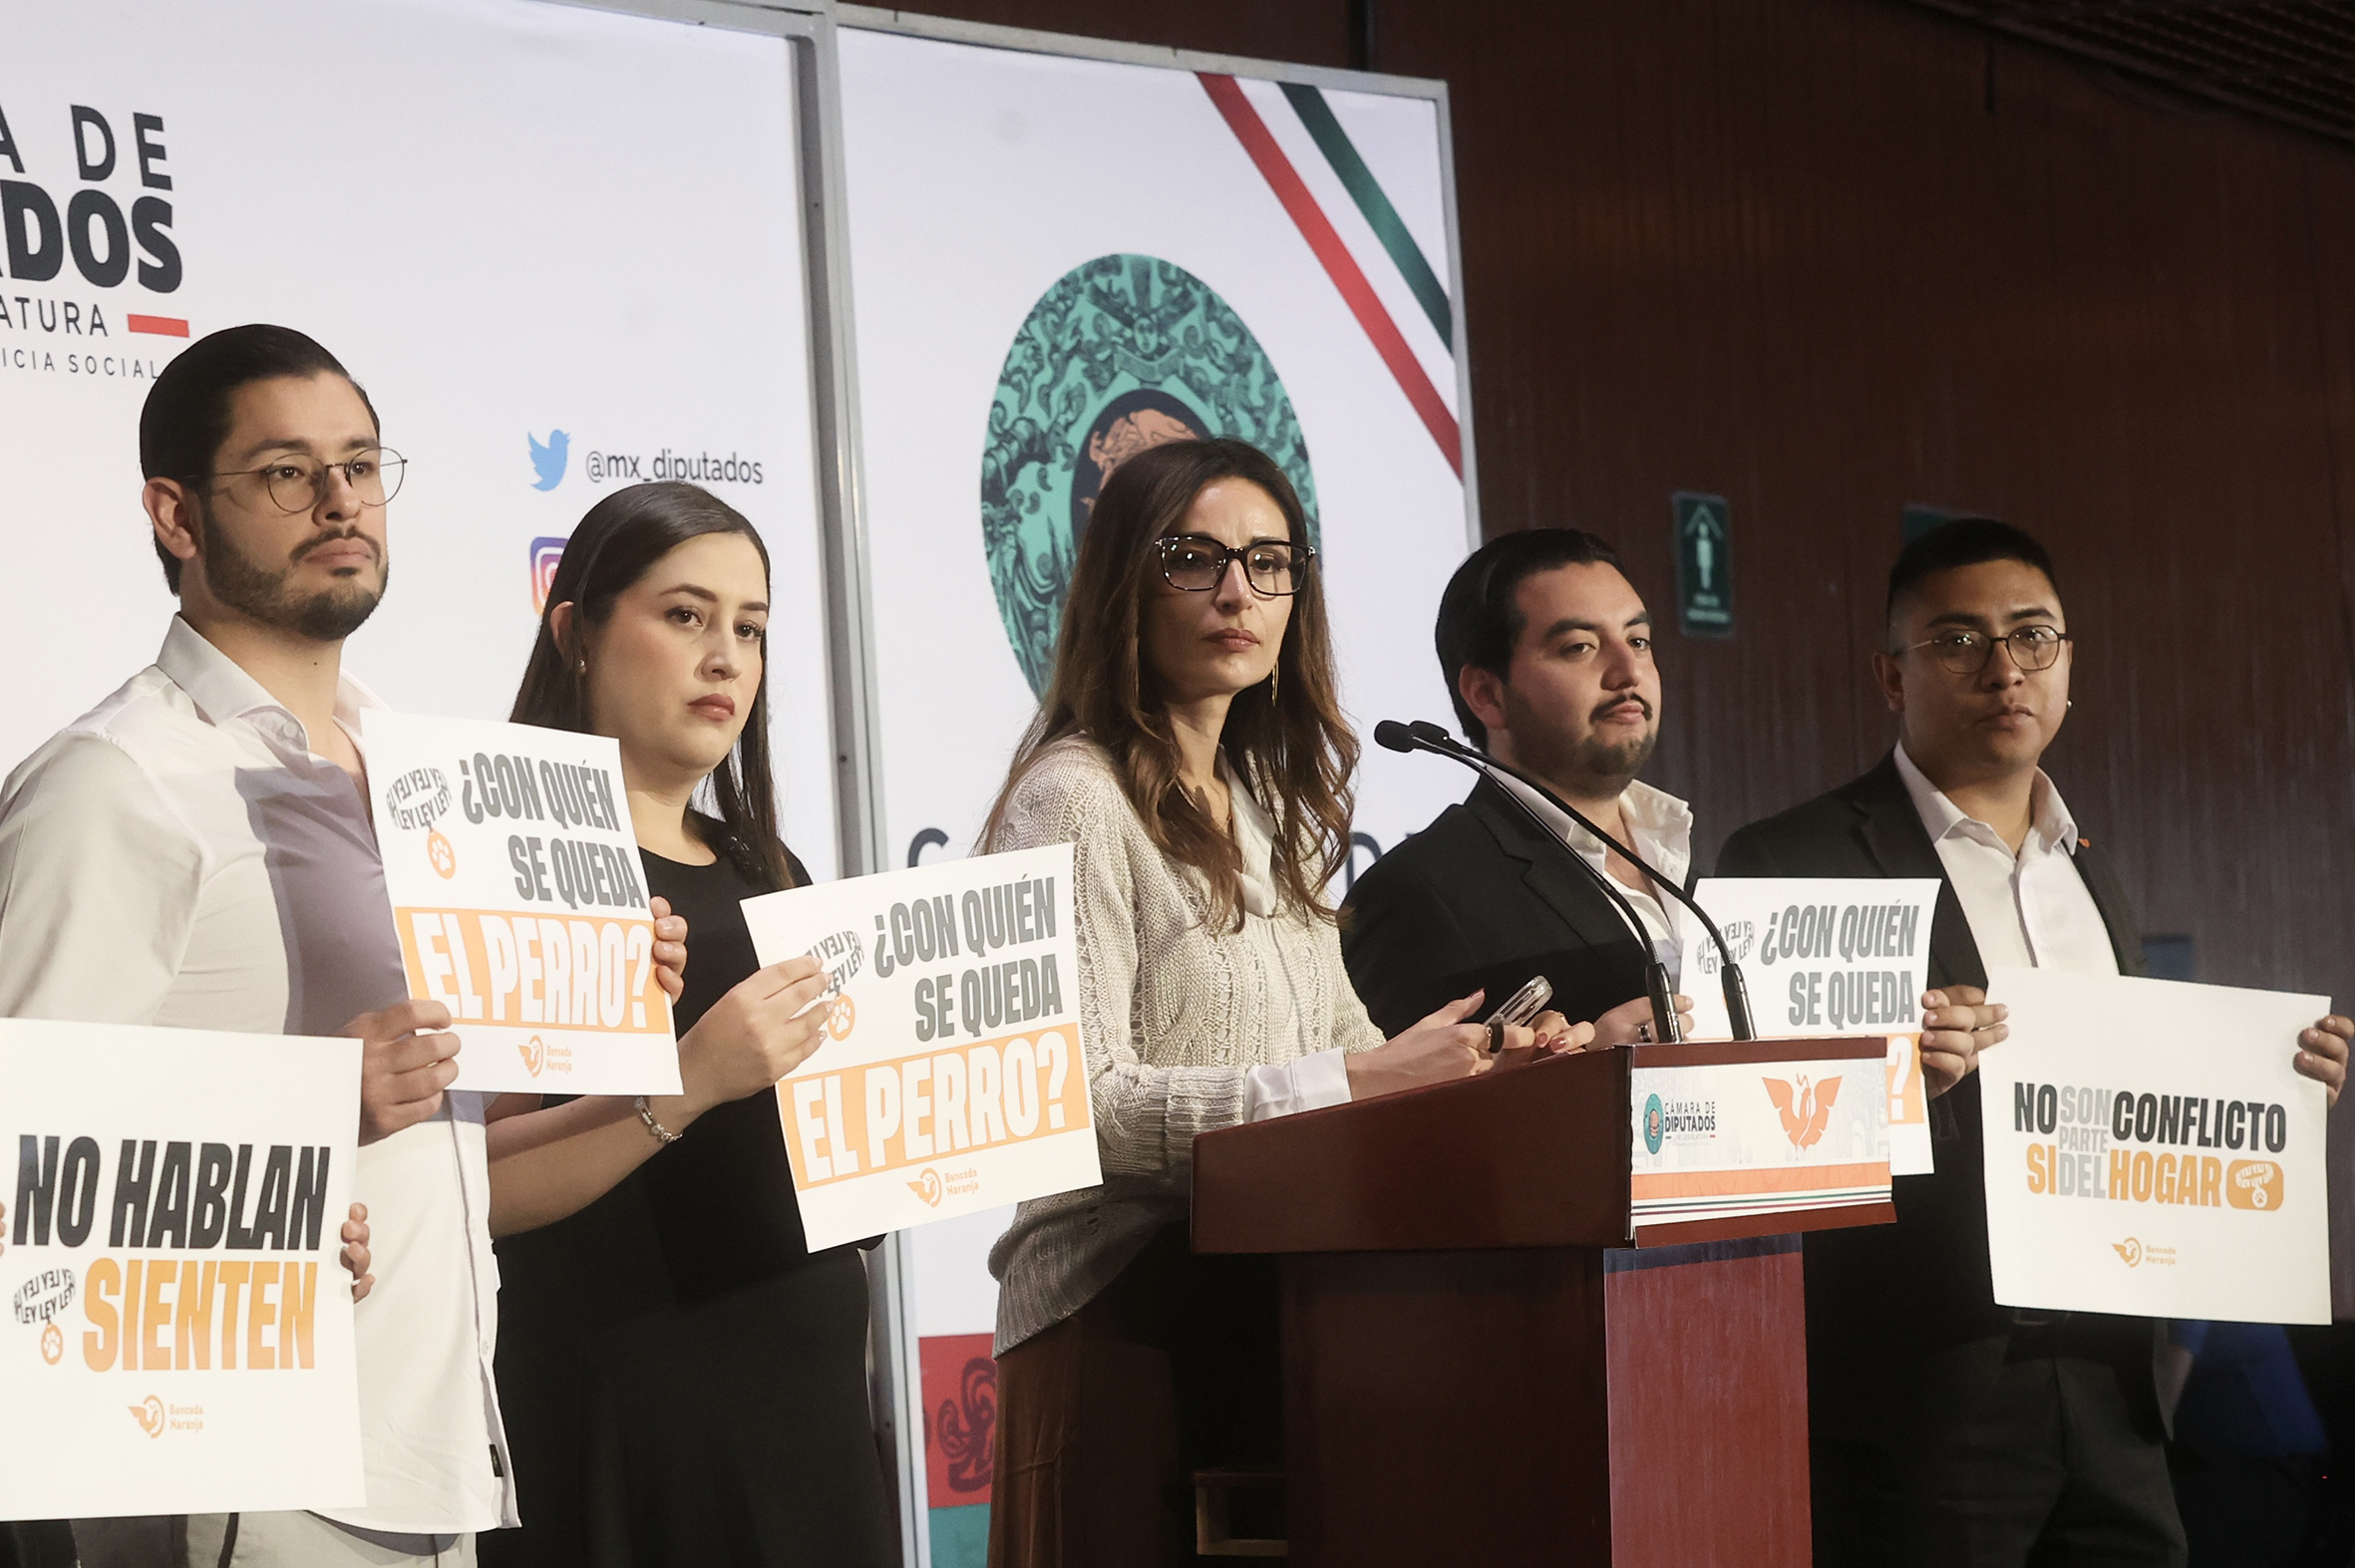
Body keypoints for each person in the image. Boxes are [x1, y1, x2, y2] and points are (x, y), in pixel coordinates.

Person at [979, 438, 1579, 1568]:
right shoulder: (1073, 799)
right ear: (1122, 583)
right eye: (1192, 558)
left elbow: (1346, 1046)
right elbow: (1075, 1103)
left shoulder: (1265, 805)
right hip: (1119, 1321)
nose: (1236, 592)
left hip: (1282, 1298)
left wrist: (1483, 1067)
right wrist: (1351, 1080)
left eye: (1267, 562)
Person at [1715, 517, 2353, 1567]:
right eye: (1957, 640)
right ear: (1891, 675)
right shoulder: (1788, 858)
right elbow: (1742, 1133)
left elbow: (2130, 1102)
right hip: (1920, 1392)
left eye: (2032, 636)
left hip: (2113, 1379)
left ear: (2068, 665)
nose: (2004, 667)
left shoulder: (2085, 867)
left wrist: (2271, 1092)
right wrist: (1900, 1079)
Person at [0, 325, 524, 1566]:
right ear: (176, 515)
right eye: (287, 472)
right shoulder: (117, 781)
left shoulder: (423, 775)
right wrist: (308, 1108)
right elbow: (24, 1153)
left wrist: (598, 1005)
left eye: (361, 464)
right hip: (239, 1477)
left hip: (438, 1462)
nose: (341, 500)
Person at [478, 481, 897, 1568]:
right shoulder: (512, 863)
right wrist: (690, 1076)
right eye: (684, 615)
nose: (726, 659)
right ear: (575, 631)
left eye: (749, 629)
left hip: (808, 1420)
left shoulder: (772, 869)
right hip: (630, 1418)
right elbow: (475, 1183)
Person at [1340, 527, 1698, 1041]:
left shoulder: (1689, 870)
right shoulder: (1416, 895)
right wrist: (1589, 1071)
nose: (1628, 671)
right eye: (1580, 647)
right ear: (1487, 694)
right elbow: (1398, 1090)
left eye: (1638, 641)